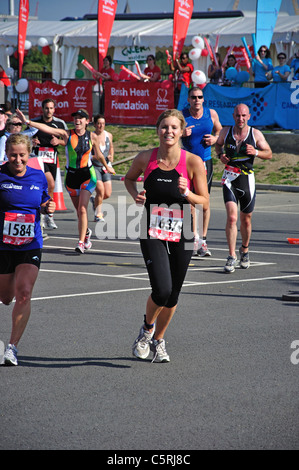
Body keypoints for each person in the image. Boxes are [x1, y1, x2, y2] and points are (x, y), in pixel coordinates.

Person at [124, 109, 209, 363]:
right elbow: (128, 179)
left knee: (173, 294)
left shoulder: (193, 162)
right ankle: (146, 330)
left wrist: (187, 194)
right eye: (164, 127)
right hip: (151, 229)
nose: (168, 132)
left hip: (182, 231)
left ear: (182, 131)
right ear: (157, 130)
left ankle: (158, 339)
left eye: (174, 127)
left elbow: (204, 201)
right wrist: (136, 195)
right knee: (162, 289)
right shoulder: (145, 159)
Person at [16, 108, 115, 254]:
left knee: (82, 208)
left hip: (88, 175)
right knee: (79, 211)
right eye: (75, 118)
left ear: (87, 121)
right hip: (71, 177)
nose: (77, 120)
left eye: (81, 118)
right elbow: (48, 129)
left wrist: (107, 167)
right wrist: (28, 122)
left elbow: (99, 155)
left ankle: (81, 242)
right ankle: (86, 233)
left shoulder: (92, 136)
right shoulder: (67, 134)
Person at [0, 133, 56, 366]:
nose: (18, 160)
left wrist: (47, 205)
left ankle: (12, 347)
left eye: (22, 155)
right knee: (5, 297)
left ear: (28, 154)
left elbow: (43, 201)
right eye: (13, 155)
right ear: (6, 154)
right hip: (3, 244)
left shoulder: (38, 176)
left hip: (30, 243)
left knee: (24, 292)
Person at [215, 103, 272, 273]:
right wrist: (220, 155)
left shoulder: (255, 134)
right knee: (232, 218)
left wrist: (255, 152)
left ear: (248, 117)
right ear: (233, 116)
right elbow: (218, 145)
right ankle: (231, 256)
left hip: (247, 179)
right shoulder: (226, 132)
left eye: (243, 116)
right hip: (229, 179)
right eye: (238, 115)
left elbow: (269, 153)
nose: (240, 119)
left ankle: (245, 250)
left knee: (245, 219)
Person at [181, 86, 222, 257]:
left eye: (199, 97)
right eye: (193, 97)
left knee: (204, 203)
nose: (197, 100)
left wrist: (215, 138)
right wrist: (181, 134)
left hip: (205, 163)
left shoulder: (211, 114)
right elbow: (168, 133)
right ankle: (194, 238)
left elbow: (220, 131)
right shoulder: (182, 115)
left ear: (203, 99)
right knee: (190, 203)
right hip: (187, 163)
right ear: (189, 99)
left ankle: (203, 240)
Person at [31, 98, 68, 230]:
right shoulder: (35, 122)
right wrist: (32, 141)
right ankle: (46, 215)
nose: (49, 111)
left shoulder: (59, 123)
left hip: (51, 158)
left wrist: (59, 142)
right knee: (50, 183)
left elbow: (67, 141)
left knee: (48, 187)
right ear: (42, 109)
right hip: (37, 158)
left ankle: (46, 214)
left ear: (54, 109)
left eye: (51, 108)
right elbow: (26, 137)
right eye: (46, 108)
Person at [90, 114, 114, 222]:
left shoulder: (109, 135)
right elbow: (88, 154)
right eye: (98, 123)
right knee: (100, 190)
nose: (101, 126)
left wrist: (111, 156)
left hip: (106, 167)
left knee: (107, 193)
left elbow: (111, 147)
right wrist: (97, 157)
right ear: (94, 124)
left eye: (103, 124)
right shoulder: (91, 136)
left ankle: (95, 201)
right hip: (94, 166)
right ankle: (98, 214)